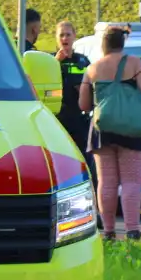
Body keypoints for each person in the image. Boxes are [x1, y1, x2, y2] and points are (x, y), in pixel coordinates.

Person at [79, 26, 141, 242]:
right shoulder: (134, 63)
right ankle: (132, 231)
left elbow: (84, 104)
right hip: (132, 130)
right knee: (131, 181)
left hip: (102, 131)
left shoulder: (92, 69)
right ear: (122, 43)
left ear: (103, 45)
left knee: (106, 182)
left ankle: (108, 232)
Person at [53, 21, 94, 185]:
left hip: (79, 117)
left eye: (68, 34)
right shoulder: (50, 61)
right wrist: (56, 63)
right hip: (57, 118)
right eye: (61, 35)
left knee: (83, 159)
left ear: (74, 36)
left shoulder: (83, 61)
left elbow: (92, 84)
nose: (65, 38)